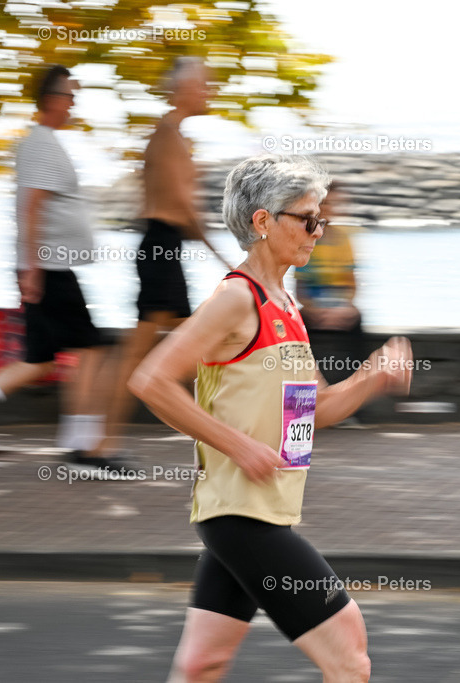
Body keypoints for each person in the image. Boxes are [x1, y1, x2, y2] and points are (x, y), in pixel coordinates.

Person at [127, 155, 413, 681]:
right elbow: (150, 381)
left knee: (200, 665)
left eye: (321, 219)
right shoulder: (237, 299)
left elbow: (315, 409)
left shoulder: (285, 305)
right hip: (241, 515)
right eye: (307, 219)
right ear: (263, 222)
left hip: (260, 510)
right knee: (349, 651)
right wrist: (238, 446)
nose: (319, 231)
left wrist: (370, 378)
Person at [0, 65, 113, 471]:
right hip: (49, 268)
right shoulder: (39, 143)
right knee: (92, 350)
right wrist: (32, 268)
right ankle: (81, 449)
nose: (74, 104)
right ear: (53, 99)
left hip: (47, 265)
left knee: (41, 359)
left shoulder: (45, 142)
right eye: (70, 96)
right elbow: (30, 206)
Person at [78, 56, 232, 463]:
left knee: (171, 346)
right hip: (161, 248)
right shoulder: (168, 138)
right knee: (187, 344)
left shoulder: (172, 136)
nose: (209, 91)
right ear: (183, 89)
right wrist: (230, 263)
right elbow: (183, 208)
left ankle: (99, 442)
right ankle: (101, 444)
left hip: (162, 249)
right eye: (204, 85)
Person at [294, 181, 366, 425]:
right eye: (327, 203)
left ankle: (350, 407)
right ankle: (304, 407)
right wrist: (316, 309)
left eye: (337, 203)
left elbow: (352, 286)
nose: (332, 208)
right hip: (313, 308)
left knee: (357, 325)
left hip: (338, 306)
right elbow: (300, 290)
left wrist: (341, 307)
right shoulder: (305, 238)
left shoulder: (345, 239)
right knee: (297, 339)